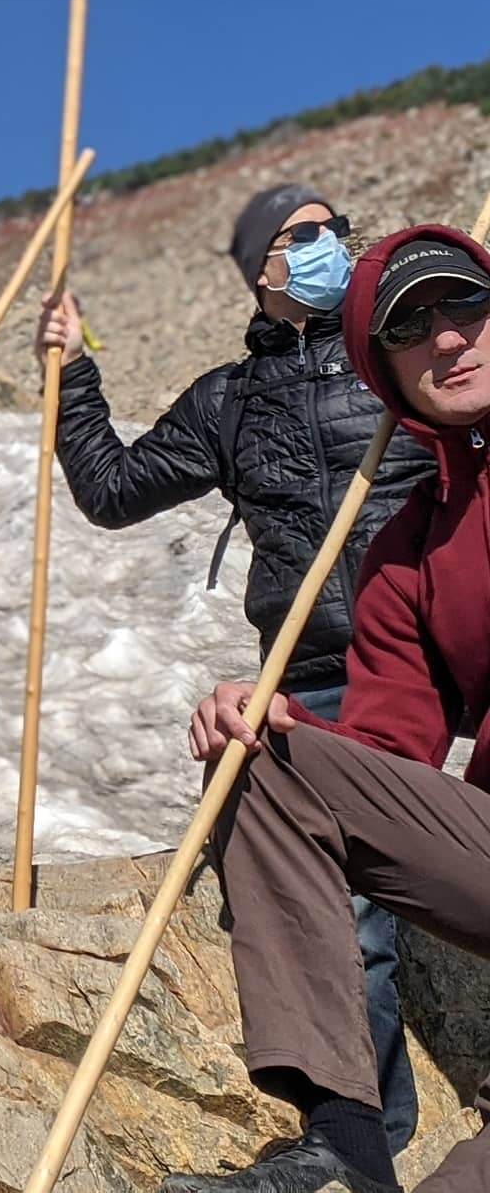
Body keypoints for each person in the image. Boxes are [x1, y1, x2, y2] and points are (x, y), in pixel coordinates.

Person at [37, 185, 433, 1150]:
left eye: (340, 230)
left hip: (442, 652)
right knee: (346, 915)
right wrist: (75, 371)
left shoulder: (402, 353)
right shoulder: (231, 400)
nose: (331, 244)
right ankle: (360, 1138)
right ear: (262, 267)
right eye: (305, 235)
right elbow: (113, 489)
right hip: (314, 676)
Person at [167, 223, 490, 1192]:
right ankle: (348, 1142)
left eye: (468, 305)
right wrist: (276, 719)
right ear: (382, 371)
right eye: (409, 326)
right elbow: (383, 758)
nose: (447, 338)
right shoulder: (409, 549)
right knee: (265, 763)